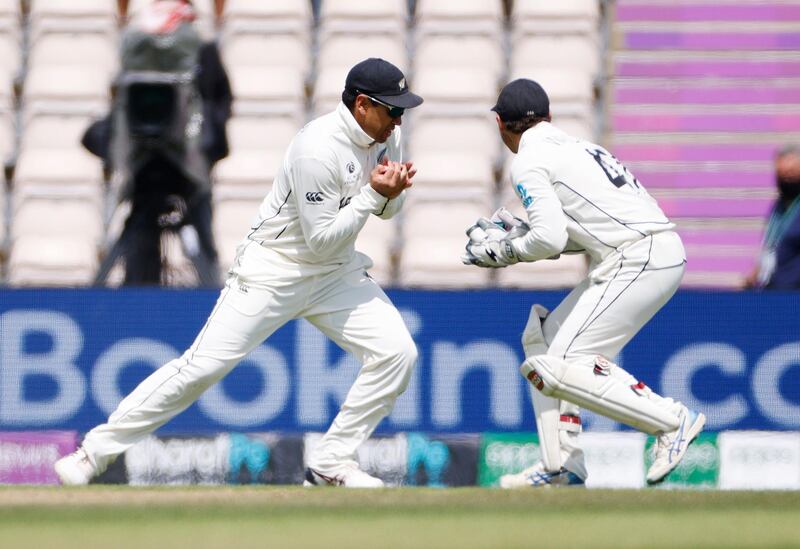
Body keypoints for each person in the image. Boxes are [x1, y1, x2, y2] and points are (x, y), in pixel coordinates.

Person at [55, 58, 423, 488]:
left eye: (402, 111)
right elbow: (322, 237)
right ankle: (91, 454)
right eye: (391, 109)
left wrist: (387, 195)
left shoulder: (386, 135)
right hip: (273, 270)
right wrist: (372, 195)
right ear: (362, 104)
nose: (398, 120)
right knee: (200, 369)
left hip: (335, 272)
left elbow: (384, 210)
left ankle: (330, 464)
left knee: (398, 353)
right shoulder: (317, 147)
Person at [462, 79, 706, 487]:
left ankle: (670, 421)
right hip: (647, 251)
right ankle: (561, 465)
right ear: (549, 117)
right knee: (540, 341)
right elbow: (572, 233)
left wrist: (502, 251)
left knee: (565, 362)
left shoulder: (528, 160)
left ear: (501, 125)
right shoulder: (578, 146)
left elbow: (550, 239)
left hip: (640, 256)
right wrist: (521, 232)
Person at [86, 0, 232, 287]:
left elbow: (219, 105)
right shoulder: (146, 53)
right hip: (153, 165)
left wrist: (202, 143)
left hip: (187, 164)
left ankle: (209, 279)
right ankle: (143, 284)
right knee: (144, 238)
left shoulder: (203, 53)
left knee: (201, 225)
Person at [745, 145, 800, 289]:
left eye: (793, 174)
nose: (787, 179)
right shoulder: (777, 207)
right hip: (772, 290)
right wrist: (755, 274)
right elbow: (771, 247)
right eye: (782, 175)